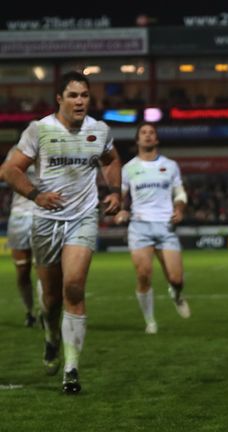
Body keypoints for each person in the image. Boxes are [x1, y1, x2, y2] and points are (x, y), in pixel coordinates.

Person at [3, 71, 122, 394]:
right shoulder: (39, 130)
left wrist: (115, 191)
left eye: (84, 95)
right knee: (52, 300)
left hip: (82, 218)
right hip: (45, 221)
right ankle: (51, 336)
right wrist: (35, 195)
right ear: (60, 99)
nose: (80, 101)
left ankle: (71, 368)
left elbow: (111, 160)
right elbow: (9, 168)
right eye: (73, 95)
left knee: (74, 286)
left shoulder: (99, 130)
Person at [114, 122, 191, 335]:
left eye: (151, 133)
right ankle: (150, 322)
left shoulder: (171, 165)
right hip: (139, 226)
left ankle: (175, 294)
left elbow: (180, 193)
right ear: (137, 140)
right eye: (143, 133)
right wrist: (120, 210)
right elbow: (120, 195)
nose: (148, 136)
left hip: (166, 226)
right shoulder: (129, 168)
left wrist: (180, 209)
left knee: (176, 279)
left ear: (156, 139)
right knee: (143, 275)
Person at [0, 147, 39, 327]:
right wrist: (18, 167)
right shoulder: (16, 152)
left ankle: (44, 312)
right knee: (22, 271)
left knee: (44, 269)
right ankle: (29, 312)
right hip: (19, 216)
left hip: (45, 215)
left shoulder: (53, 148)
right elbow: (3, 174)